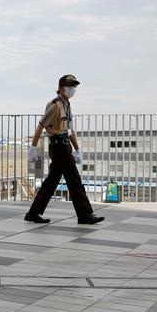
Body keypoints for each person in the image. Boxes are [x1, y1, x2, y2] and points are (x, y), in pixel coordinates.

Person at [25, 74, 105, 225]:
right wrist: (33, 147)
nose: (72, 89)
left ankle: (33, 213)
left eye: (74, 86)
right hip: (58, 146)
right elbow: (41, 125)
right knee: (74, 179)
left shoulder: (66, 104)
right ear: (61, 88)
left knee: (52, 181)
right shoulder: (55, 105)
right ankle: (84, 215)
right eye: (69, 86)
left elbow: (69, 130)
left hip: (64, 145)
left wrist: (77, 148)